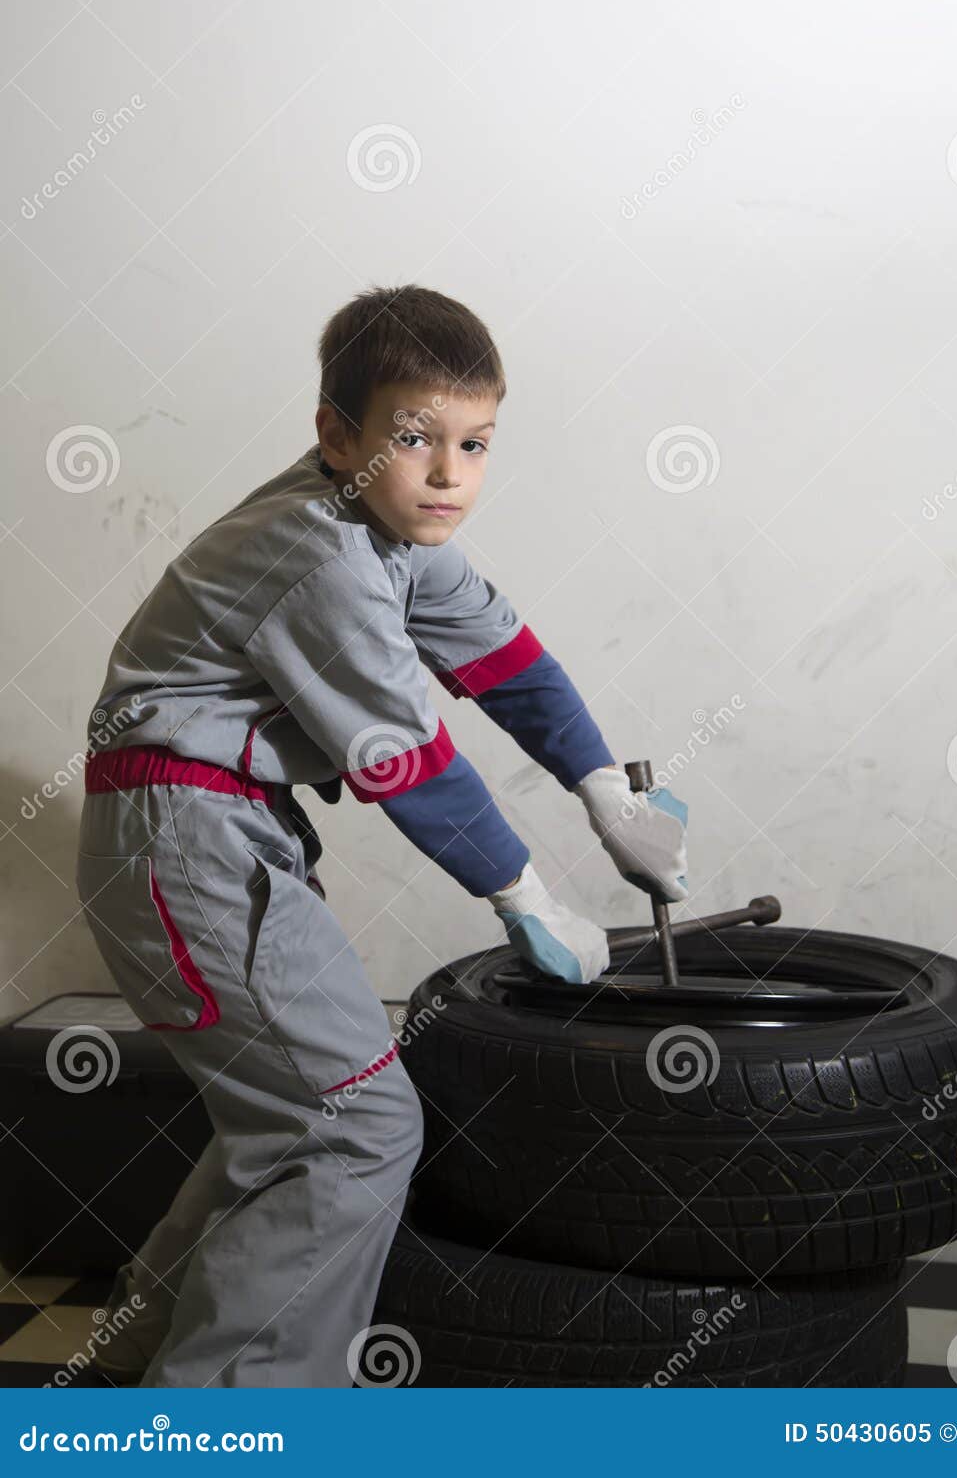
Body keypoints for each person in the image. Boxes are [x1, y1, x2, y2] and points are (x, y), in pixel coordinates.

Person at [74, 283, 688, 1388]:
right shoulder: (319, 555)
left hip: (217, 833)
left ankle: (135, 1382)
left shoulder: (393, 528)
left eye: (474, 442)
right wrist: (528, 900)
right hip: (181, 842)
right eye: (414, 437)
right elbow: (403, 758)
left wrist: (605, 791)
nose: (449, 472)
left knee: (299, 1121)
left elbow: (510, 666)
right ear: (337, 433)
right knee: (349, 1128)